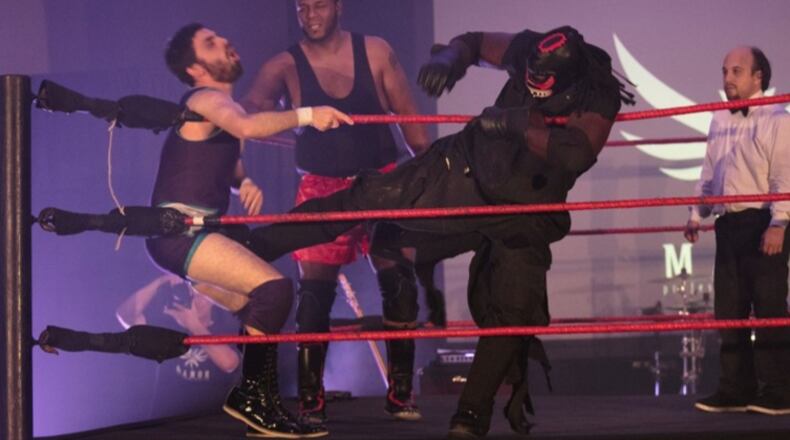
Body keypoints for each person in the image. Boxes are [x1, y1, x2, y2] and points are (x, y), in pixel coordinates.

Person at [245, 25, 634, 438]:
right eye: (529, 79)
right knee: (370, 196)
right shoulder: (529, 50)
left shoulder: (598, 91)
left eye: (542, 84)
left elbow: (575, 153)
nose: (532, 86)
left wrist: (518, 124)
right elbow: (477, 42)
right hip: (466, 171)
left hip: (527, 209)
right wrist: (452, 58)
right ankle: (258, 243)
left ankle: (471, 416)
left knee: (515, 308)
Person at [149, 23, 351, 438]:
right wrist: (310, 115)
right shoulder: (204, 99)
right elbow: (244, 128)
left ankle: (261, 409)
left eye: (220, 36)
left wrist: (244, 182)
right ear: (195, 69)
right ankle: (252, 400)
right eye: (211, 43)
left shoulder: (224, 108)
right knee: (274, 291)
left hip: (191, 233)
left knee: (257, 307)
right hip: (180, 232)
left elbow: (226, 150)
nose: (225, 41)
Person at [242, 0, 431, 423]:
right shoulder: (284, 66)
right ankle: (311, 400)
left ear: (338, 6)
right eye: (301, 7)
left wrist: (430, 174)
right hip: (321, 187)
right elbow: (246, 113)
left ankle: (402, 393)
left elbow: (408, 115)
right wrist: (285, 117)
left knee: (399, 283)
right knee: (313, 296)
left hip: (382, 182)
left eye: (319, 4)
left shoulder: (376, 51)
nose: (310, 14)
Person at [684, 46, 790, 416]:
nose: (728, 78)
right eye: (725, 70)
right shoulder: (719, 119)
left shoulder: (778, 117)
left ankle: (778, 391)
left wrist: (779, 223)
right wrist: (697, 215)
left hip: (763, 222)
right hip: (728, 223)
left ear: (758, 77)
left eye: (737, 71)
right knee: (728, 310)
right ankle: (735, 388)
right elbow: (710, 171)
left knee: (769, 307)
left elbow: (783, 175)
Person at [115, 274, 241, 417]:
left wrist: (194, 325)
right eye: (191, 292)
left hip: (211, 419)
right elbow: (125, 316)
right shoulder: (167, 324)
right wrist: (161, 280)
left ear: (213, 299)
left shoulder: (227, 327)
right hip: (166, 416)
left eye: (201, 294)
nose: (196, 299)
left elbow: (229, 363)